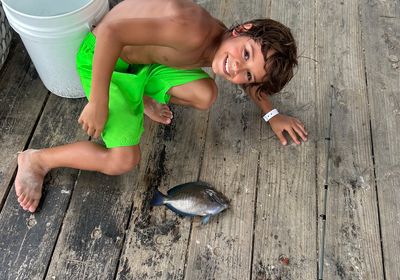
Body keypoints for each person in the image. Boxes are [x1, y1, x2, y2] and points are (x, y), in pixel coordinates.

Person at [15, 0, 307, 213]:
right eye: (245, 53)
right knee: (122, 160)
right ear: (243, 29)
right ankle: (38, 160)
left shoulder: (224, 43)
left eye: (247, 73)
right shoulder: (191, 29)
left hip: (143, 65)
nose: (237, 68)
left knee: (206, 94)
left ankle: (142, 97)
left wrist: (272, 114)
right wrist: (98, 101)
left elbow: (250, 80)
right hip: (103, 59)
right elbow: (110, 32)